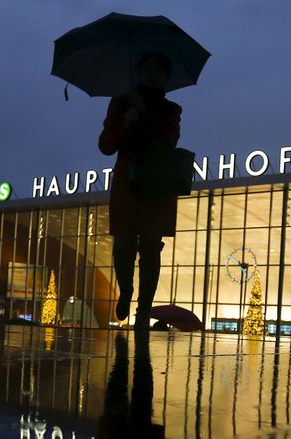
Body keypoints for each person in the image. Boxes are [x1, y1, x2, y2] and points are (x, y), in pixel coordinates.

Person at [98, 52, 182, 329]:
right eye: (149, 68)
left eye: (159, 68)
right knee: (123, 244)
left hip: (157, 183)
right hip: (127, 183)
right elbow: (106, 145)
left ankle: (144, 309)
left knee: (150, 247)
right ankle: (126, 290)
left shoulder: (171, 110)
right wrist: (126, 121)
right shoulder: (120, 103)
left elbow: (169, 141)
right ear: (140, 72)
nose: (154, 73)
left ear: (165, 76)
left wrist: (143, 115)